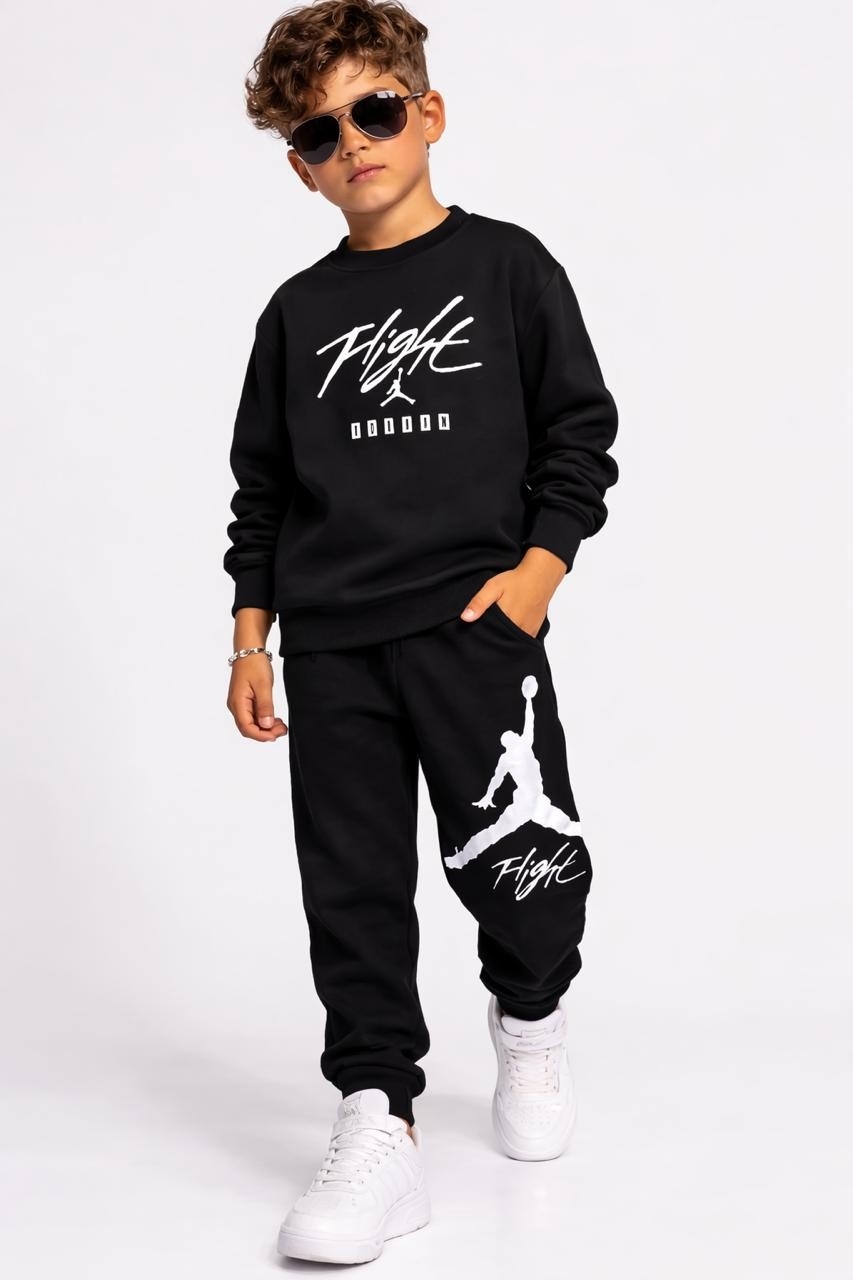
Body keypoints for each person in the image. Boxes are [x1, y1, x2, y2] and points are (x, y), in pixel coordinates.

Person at [222, 0, 619, 1264]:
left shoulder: (508, 269)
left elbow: (579, 432)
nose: (352, 141)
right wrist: (251, 637)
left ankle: (531, 1015)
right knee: (350, 885)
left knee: (524, 865)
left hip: (472, 629)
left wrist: (536, 574)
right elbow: (262, 492)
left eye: (375, 110)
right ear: (300, 165)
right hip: (332, 640)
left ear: (427, 112)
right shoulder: (296, 314)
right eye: (318, 131)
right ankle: (376, 1112)